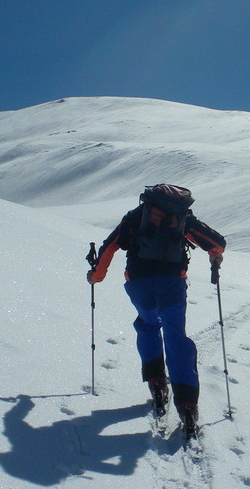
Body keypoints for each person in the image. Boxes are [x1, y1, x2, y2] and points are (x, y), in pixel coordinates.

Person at [87, 184, 226, 438]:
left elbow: (110, 247)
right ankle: (186, 404)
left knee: (148, 325)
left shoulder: (135, 217)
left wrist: (97, 276)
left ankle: (156, 382)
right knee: (175, 337)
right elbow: (216, 243)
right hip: (172, 283)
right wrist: (215, 257)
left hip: (138, 282)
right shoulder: (183, 218)